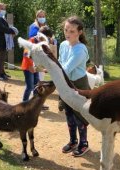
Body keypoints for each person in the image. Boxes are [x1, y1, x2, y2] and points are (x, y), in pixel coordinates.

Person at [59, 16, 90, 157]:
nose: (68, 33)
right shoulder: (63, 45)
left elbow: (65, 68)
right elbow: (60, 62)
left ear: (79, 32)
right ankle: (73, 141)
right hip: (65, 84)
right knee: (69, 114)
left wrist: (51, 68)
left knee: (79, 116)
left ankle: (84, 143)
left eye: (72, 31)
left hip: (79, 85)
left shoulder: (81, 49)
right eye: (66, 30)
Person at [21, 26, 53, 102]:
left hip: (36, 68)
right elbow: (26, 54)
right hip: (28, 67)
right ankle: (24, 103)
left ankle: (36, 103)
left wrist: (44, 67)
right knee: (30, 87)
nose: (47, 40)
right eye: (46, 38)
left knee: (37, 85)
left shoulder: (42, 43)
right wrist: (30, 66)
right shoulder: (31, 41)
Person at [28, 9, 49, 110]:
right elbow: (32, 39)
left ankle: (38, 102)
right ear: (36, 17)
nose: (42, 18)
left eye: (43, 16)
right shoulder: (34, 26)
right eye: (40, 16)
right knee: (38, 80)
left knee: (41, 78)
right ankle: (36, 103)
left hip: (43, 55)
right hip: (36, 56)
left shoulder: (45, 27)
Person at [0, 2, 16, 81]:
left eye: (4, 9)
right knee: (1, 57)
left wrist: (11, 30)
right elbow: (2, 28)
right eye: (2, 8)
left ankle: (3, 72)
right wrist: (12, 31)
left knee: (3, 56)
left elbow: (5, 27)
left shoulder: (1, 17)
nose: (4, 10)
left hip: (3, 39)